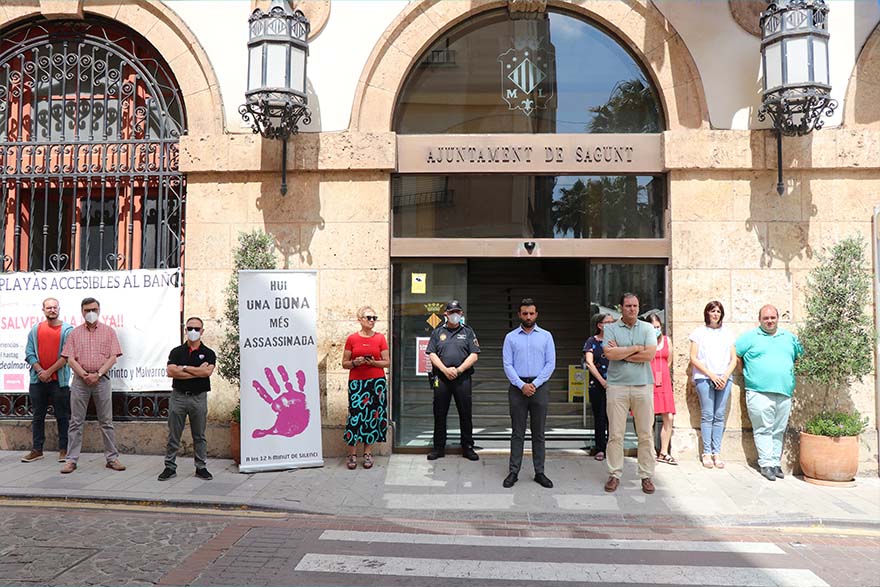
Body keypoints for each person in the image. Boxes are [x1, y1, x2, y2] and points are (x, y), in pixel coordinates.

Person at [736, 304, 803, 482]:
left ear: (778, 318)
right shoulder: (750, 337)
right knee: (763, 428)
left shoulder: (789, 338)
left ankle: (775, 463)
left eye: (772, 317)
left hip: (784, 391)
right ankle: (766, 464)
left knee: (778, 430)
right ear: (760, 320)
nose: (769, 321)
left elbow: (798, 357)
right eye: (766, 318)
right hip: (758, 391)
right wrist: (747, 375)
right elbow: (735, 354)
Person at [60, 297, 124, 474]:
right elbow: (69, 358)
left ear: (99, 310)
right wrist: (84, 375)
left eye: (94, 310)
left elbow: (113, 357)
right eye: (87, 310)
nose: (91, 313)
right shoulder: (74, 333)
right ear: (82, 312)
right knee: (76, 422)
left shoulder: (109, 332)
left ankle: (112, 458)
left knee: (106, 421)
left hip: (102, 380)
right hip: (81, 381)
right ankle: (71, 460)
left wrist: (98, 374)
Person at [602, 293, 657, 495]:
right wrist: (635, 348)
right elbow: (609, 354)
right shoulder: (610, 328)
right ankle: (614, 474)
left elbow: (650, 355)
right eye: (628, 306)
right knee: (616, 434)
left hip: (643, 385)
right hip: (617, 386)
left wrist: (622, 353)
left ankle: (646, 475)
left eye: (635, 305)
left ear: (639, 307)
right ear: (621, 308)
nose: (632, 309)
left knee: (645, 434)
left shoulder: (648, 328)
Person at [502, 298, 556, 489]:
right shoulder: (510, 337)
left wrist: (534, 384)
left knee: (539, 432)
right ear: (519, 315)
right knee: (517, 432)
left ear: (536, 314)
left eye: (531, 313)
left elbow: (550, 363)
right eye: (525, 313)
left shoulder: (546, 336)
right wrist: (520, 385)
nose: (528, 316)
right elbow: (507, 364)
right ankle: (513, 471)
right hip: (517, 388)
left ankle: (539, 472)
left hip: (539, 387)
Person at [158, 317, 216, 481]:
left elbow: (206, 373)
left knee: (199, 435)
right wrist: (195, 370)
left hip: (198, 398)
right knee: (174, 434)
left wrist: (183, 369)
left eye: (197, 329)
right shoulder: (177, 352)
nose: (193, 332)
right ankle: (170, 467)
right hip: (178, 397)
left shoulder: (209, 353)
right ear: (185, 330)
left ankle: (201, 467)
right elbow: (171, 372)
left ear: (202, 331)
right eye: (190, 328)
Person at [425, 300, 480, 461]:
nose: (454, 315)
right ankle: (438, 448)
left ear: (461, 314)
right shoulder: (437, 333)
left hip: (462, 378)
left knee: (465, 413)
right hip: (441, 378)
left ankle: (467, 447)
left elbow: (474, 354)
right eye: (451, 312)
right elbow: (432, 354)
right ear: (446, 315)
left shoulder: (468, 332)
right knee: (440, 413)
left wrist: (459, 370)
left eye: (457, 312)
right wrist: (444, 369)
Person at [22, 298, 74, 463]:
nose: (52, 310)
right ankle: (37, 450)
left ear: (59, 309)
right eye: (49, 307)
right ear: (43, 310)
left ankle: (64, 450)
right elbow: (29, 353)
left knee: (62, 416)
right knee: (38, 416)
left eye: (55, 307)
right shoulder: (35, 329)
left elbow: (66, 356)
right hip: (38, 381)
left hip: (59, 381)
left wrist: (48, 372)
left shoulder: (68, 330)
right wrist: (40, 371)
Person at [689, 301, 737, 469]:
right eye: (712, 311)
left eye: (718, 311)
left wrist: (724, 376)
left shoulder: (728, 334)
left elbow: (733, 359)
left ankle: (717, 452)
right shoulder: (699, 333)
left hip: (724, 378)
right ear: (707, 313)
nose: (715, 314)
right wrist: (711, 375)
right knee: (707, 414)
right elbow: (693, 357)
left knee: (719, 416)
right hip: (704, 377)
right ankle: (706, 452)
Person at [341, 306, 389, 470]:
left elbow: (387, 362)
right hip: (357, 383)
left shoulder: (380, 338)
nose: (372, 321)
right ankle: (352, 453)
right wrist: (356, 362)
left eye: (374, 318)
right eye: (368, 317)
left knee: (372, 416)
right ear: (360, 319)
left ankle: (368, 452)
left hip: (376, 383)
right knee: (355, 416)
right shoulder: (352, 339)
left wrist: (373, 362)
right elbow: (344, 363)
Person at [582, 313, 614, 461]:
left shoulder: (615, 341)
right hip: (598, 385)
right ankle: (600, 448)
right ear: (600, 325)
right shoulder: (591, 341)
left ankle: (613, 448)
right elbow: (589, 362)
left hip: (616, 384)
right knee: (600, 417)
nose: (611, 324)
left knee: (614, 419)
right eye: (607, 322)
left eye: (612, 322)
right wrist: (602, 381)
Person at [648, 313, 676, 466]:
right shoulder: (645, 341)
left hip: (663, 381)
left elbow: (669, 360)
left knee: (669, 417)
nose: (656, 330)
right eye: (653, 327)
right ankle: (650, 451)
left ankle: (664, 451)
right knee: (648, 418)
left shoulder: (667, 340)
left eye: (658, 327)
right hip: (649, 381)